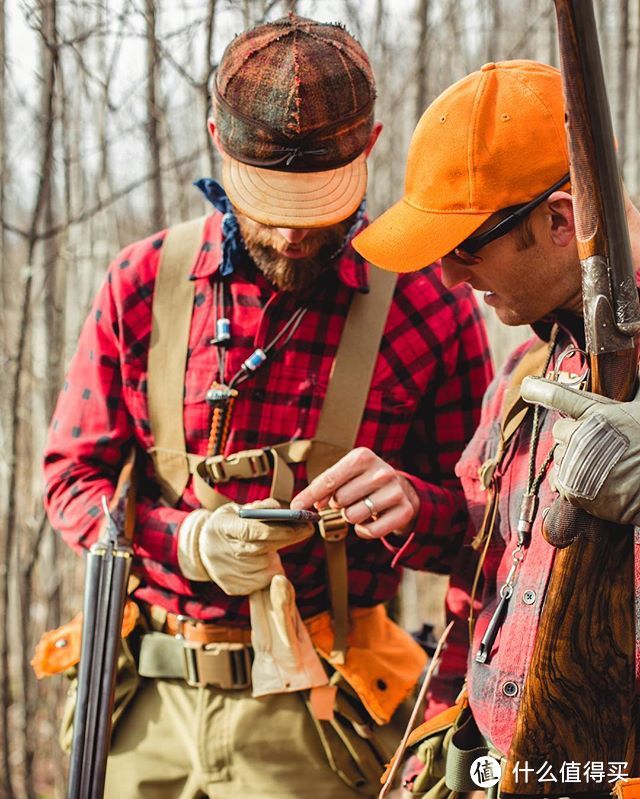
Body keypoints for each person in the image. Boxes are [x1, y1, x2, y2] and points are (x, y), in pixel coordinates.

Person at [43, 14, 492, 799]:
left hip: (322, 718)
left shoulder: (429, 309)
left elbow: (486, 536)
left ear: (371, 142)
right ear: (217, 136)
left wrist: (415, 504)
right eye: (268, 198)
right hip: (144, 703)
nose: (288, 230)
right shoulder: (142, 282)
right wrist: (183, 541)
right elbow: (70, 478)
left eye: (314, 202)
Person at [351, 58, 640, 794]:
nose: (448, 277)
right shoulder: (522, 376)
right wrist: (419, 508)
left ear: (560, 220)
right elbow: (486, 575)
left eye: (465, 248)